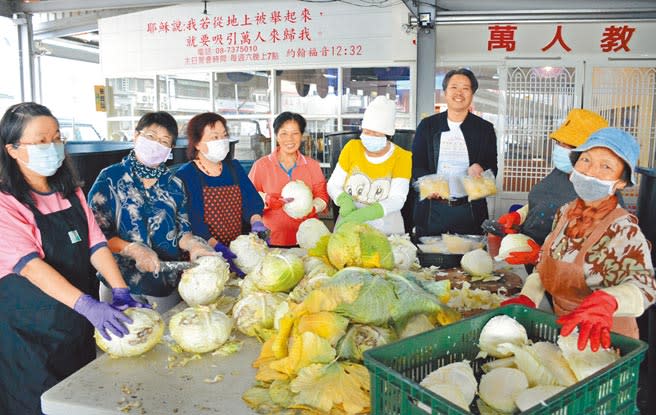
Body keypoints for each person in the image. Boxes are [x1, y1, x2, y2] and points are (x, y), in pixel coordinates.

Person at [0, 103, 146, 414]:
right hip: (31, 336)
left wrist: (120, 291)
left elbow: (96, 244)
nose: (51, 147)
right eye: (40, 141)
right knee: (39, 405)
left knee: (78, 400)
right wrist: (89, 306)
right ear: (12, 149)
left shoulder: (68, 190)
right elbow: (31, 267)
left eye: (56, 138)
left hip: (76, 327)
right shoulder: (6, 202)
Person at [502, 128, 656, 352]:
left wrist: (609, 301)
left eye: (606, 166)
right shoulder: (565, 214)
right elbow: (543, 270)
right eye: (585, 160)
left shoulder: (623, 229)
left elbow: (646, 288)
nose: (591, 172)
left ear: (621, 182)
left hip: (604, 339)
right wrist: (528, 298)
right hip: (564, 333)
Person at [88, 111, 216, 312]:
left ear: (171, 149)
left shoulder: (175, 185)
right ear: (136, 135)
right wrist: (133, 249)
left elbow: (183, 231)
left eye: (165, 141)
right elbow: (95, 234)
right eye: (151, 137)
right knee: (121, 340)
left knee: (164, 337)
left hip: (163, 284)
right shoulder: (110, 178)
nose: (157, 144)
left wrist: (194, 245)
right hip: (117, 282)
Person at [496, 109, 609, 266]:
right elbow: (545, 201)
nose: (561, 149)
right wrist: (518, 216)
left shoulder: (602, 193)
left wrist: (542, 256)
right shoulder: (562, 171)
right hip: (530, 262)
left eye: (569, 145)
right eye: (559, 143)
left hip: (563, 276)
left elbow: (597, 253)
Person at [412, 68, 498, 236]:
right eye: (454, 87)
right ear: (445, 92)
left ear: (472, 94)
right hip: (433, 210)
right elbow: (416, 163)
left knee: (470, 259)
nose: (459, 93)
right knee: (430, 259)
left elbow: (492, 165)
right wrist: (429, 184)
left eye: (465, 88)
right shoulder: (428, 126)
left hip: (470, 210)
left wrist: (482, 169)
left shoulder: (484, 129)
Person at [175, 112, 265, 263]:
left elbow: (252, 201)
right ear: (197, 143)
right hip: (205, 253)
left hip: (239, 251)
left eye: (224, 136)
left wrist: (256, 221)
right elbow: (193, 220)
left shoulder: (234, 168)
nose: (222, 141)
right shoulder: (187, 174)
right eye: (215, 137)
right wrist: (217, 247)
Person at [327, 96, 412, 234]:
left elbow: (398, 198)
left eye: (376, 133)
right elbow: (333, 184)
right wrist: (343, 200)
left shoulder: (401, 157)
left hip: (386, 225)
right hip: (350, 222)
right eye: (366, 131)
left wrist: (367, 214)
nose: (369, 136)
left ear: (388, 134)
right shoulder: (352, 148)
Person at [248, 112, 329, 246]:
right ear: (276, 135)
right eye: (284, 133)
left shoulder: (312, 166)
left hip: (309, 240)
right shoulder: (261, 166)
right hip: (271, 240)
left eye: (295, 133)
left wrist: (311, 208)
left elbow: (323, 196)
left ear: (302, 136)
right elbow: (248, 198)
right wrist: (267, 200)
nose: (289, 139)